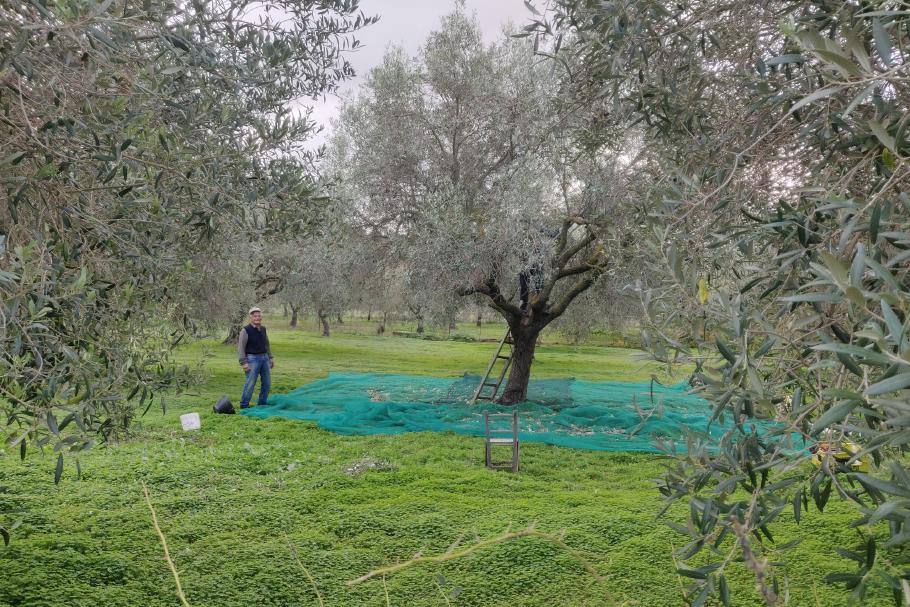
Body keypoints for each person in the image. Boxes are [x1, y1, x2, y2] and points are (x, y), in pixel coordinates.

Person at [237, 307, 274, 408]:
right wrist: (243, 362)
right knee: (250, 384)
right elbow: (241, 348)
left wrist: (270, 357)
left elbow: (267, 344)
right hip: (252, 359)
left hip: (264, 358)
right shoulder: (245, 330)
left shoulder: (263, 329)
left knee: (267, 383)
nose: (257, 318)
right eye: (255, 316)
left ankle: (262, 403)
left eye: (259, 316)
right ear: (251, 317)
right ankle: (244, 405)